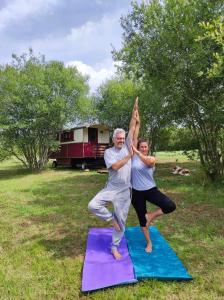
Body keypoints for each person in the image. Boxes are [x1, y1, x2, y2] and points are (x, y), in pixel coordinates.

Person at [88, 98, 139, 260]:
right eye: (119, 139)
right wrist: (129, 157)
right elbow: (115, 167)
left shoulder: (126, 146)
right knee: (92, 205)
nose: (122, 141)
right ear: (113, 139)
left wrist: (134, 111)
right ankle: (111, 219)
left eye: (123, 139)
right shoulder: (109, 152)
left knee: (122, 221)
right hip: (111, 188)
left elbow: (132, 128)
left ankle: (114, 247)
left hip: (125, 191)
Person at [131, 111, 176, 253]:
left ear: (147, 148)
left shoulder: (151, 158)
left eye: (145, 147)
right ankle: (149, 242)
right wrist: (137, 121)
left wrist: (138, 153)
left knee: (170, 205)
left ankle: (151, 216)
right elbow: (134, 136)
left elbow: (148, 162)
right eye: (141, 146)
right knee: (142, 220)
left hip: (151, 190)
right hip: (136, 192)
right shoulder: (133, 157)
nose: (143, 148)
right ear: (138, 146)